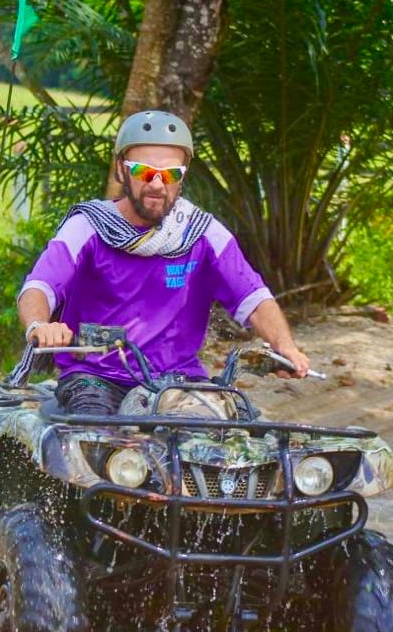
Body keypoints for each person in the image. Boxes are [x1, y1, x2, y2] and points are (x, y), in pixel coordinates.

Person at [16, 110, 310, 415]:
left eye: (170, 174)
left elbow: (253, 298)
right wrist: (40, 325)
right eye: (144, 171)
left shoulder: (203, 232)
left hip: (179, 381)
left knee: (226, 437)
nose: (157, 184)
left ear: (182, 177)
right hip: (96, 378)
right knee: (93, 434)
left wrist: (284, 345)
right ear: (121, 170)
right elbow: (39, 287)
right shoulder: (88, 226)